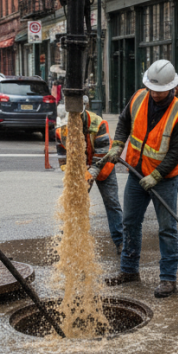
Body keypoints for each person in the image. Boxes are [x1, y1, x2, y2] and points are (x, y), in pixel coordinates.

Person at [98, 59, 178, 298]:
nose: (155, 94)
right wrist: (118, 145)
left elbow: (176, 152)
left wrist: (157, 175)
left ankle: (168, 279)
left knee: (167, 229)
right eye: (152, 89)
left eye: (160, 91)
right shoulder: (139, 97)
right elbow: (124, 121)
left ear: (172, 88)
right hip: (136, 173)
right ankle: (129, 270)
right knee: (130, 222)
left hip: (164, 179)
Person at [55, 99, 124, 255]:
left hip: (103, 165)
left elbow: (101, 156)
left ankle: (120, 242)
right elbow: (62, 157)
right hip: (80, 168)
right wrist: (71, 173)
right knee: (73, 203)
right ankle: (65, 242)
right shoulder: (61, 129)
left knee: (112, 203)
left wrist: (89, 174)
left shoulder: (98, 124)